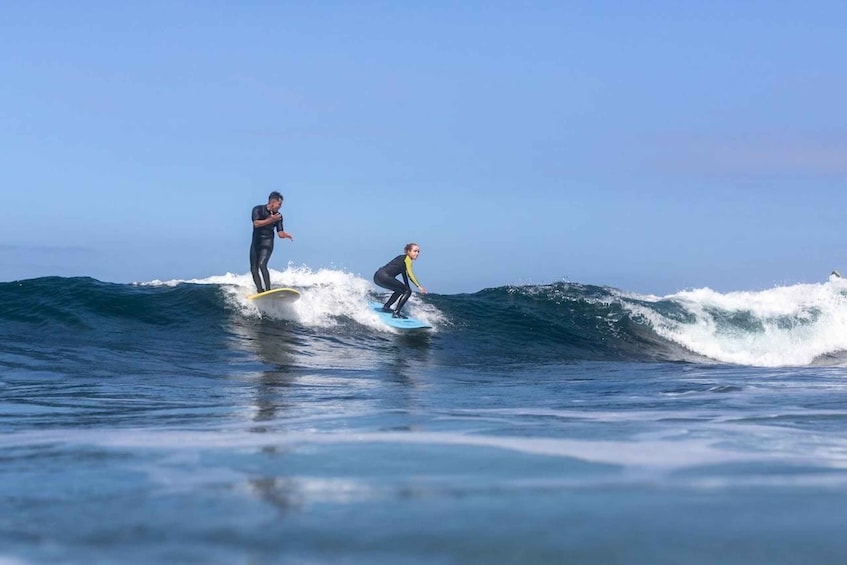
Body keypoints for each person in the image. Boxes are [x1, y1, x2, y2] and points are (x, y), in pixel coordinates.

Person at [250, 191, 294, 293]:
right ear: (272, 202)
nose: (280, 207)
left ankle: (269, 290)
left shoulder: (278, 216)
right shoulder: (257, 209)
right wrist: (270, 220)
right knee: (253, 268)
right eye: (279, 204)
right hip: (256, 242)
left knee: (262, 265)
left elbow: (280, 233)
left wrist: (285, 235)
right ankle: (260, 291)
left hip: (268, 241)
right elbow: (256, 224)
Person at [373, 243, 427, 318]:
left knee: (402, 290)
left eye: (418, 251)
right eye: (415, 251)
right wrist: (419, 286)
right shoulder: (408, 259)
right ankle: (396, 313)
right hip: (385, 277)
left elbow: (404, 273)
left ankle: (386, 306)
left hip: (377, 277)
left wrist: (407, 288)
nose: (417, 253)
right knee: (407, 291)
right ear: (408, 251)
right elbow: (410, 274)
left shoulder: (401, 258)